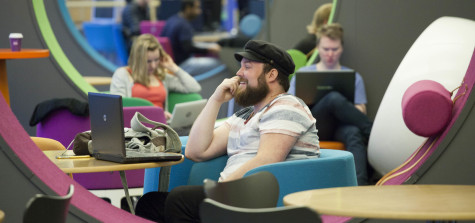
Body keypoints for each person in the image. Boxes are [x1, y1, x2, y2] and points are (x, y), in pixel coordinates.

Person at [135, 40, 319, 222]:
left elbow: (267, 160)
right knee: (149, 203)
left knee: (180, 200)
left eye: (247, 67)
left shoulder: (286, 106)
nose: (238, 74)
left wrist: (219, 188)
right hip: (235, 195)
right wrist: (215, 100)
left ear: (271, 75)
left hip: (262, 199)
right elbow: (196, 151)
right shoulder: (245, 115)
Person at [289, 23, 372, 186]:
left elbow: (360, 110)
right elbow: (291, 107)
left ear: (341, 49)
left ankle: (359, 187)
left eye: (335, 49)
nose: (330, 54)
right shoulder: (303, 75)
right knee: (333, 98)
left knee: (354, 132)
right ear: (318, 48)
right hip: (313, 126)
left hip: (340, 127)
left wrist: (344, 108)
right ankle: (373, 132)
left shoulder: (354, 77)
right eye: (326, 49)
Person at [110, 34, 201, 119]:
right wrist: (154, 114)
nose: (153, 65)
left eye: (156, 60)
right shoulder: (123, 74)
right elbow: (119, 108)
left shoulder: (162, 77)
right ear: (138, 60)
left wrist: (173, 67)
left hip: (161, 126)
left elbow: (194, 87)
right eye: (148, 61)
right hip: (136, 126)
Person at [160, 0, 221, 65]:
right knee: (219, 63)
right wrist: (208, 49)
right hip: (181, 64)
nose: (200, 11)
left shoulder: (171, 20)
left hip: (171, 62)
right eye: (197, 8)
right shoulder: (183, 25)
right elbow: (188, 47)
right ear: (188, 8)